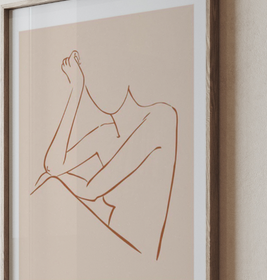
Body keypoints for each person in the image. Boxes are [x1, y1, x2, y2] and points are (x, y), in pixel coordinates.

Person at [33, 50, 178, 260]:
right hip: (111, 246)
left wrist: (57, 179)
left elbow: (91, 190)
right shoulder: (106, 133)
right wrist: (75, 92)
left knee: (50, 184)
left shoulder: (160, 116)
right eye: (90, 82)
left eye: (109, 76)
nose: (102, 89)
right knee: (49, 179)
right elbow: (52, 166)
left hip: (136, 253)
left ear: (127, 75)